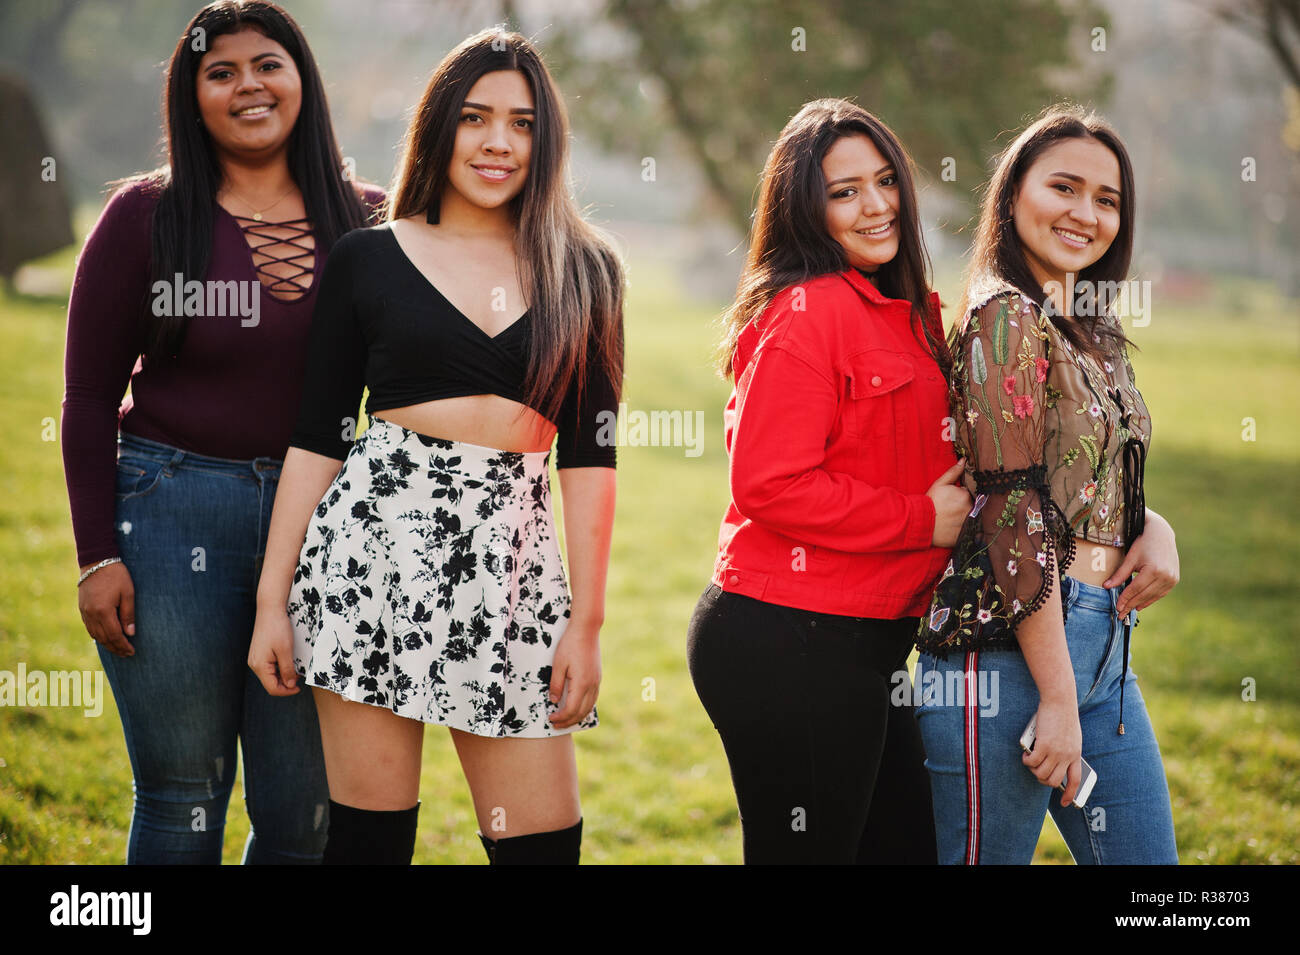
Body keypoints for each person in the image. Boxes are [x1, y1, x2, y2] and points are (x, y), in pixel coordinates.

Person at [248, 28, 624, 866]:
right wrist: (273, 601)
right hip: (367, 568)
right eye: (476, 117)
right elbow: (318, 439)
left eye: (522, 123)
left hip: (515, 582)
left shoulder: (586, 271)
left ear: (546, 140)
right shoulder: (367, 259)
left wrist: (587, 626)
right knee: (370, 847)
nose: (498, 142)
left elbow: (592, 461)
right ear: (441, 126)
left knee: (540, 848)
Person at [62, 0, 383, 864]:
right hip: (169, 514)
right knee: (181, 801)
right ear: (191, 96)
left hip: (322, 529)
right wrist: (97, 555)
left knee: (304, 818)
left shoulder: (372, 222)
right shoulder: (145, 218)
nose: (249, 84)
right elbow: (88, 397)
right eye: (221, 71)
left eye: (268, 64)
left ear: (303, 81)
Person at [685, 98, 969, 864]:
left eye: (885, 181)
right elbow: (770, 484)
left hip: (866, 648)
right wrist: (922, 519)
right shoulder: (808, 313)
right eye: (844, 191)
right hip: (790, 640)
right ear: (804, 208)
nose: (876, 205)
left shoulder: (902, 311)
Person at [915, 104, 1181, 864]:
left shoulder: (1089, 324)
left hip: (1104, 648)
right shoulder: (1003, 315)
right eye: (1064, 187)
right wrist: (1056, 697)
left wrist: (1149, 523)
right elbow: (1011, 507)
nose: (1085, 213)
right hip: (1004, 656)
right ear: (1013, 195)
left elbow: (1082, 472)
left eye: (1107, 199)